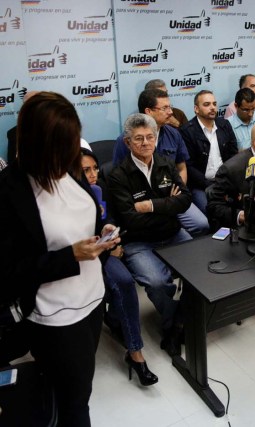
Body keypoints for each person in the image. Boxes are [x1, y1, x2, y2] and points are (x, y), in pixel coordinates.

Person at [0, 92, 117, 426]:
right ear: (39, 144)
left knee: (77, 387)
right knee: (76, 402)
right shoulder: (10, 193)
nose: (73, 152)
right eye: (64, 144)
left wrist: (100, 233)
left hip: (93, 301)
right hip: (56, 318)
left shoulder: (67, 169)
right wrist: (70, 256)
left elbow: (81, 218)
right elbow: (7, 273)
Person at [107, 113, 193, 356]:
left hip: (173, 234)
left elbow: (185, 200)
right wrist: (168, 203)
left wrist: (150, 205)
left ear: (156, 138)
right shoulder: (118, 175)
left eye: (150, 137)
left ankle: (176, 323)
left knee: (199, 271)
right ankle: (174, 324)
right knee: (157, 283)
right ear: (127, 143)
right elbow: (130, 219)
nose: (145, 143)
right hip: (139, 242)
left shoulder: (166, 163)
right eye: (138, 139)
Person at [80, 148, 158, 386]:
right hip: (79, 257)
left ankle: (135, 354)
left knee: (124, 282)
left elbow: (113, 218)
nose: (93, 174)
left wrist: (110, 235)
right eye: (86, 171)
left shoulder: (101, 187)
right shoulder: (69, 196)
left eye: (95, 168)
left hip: (105, 251)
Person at [112, 88, 210, 236]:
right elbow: (120, 176)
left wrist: (174, 197)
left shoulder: (174, 133)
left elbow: (182, 168)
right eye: (165, 108)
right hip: (144, 203)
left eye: (169, 107)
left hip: (170, 197)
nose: (171, 112)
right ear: (149, 111)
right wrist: (163, 204)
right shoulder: (125, 140)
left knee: (202, 224)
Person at [179, 90, 237, 214]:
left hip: (226, 182)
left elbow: (234, 155)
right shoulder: (186, 131)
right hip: (201, 185)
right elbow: (189, 166)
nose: (212, 108)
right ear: (196, 109)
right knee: (212, 212)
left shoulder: (224, 124)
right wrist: (209, 184)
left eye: (214, 104)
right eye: (206, 104)